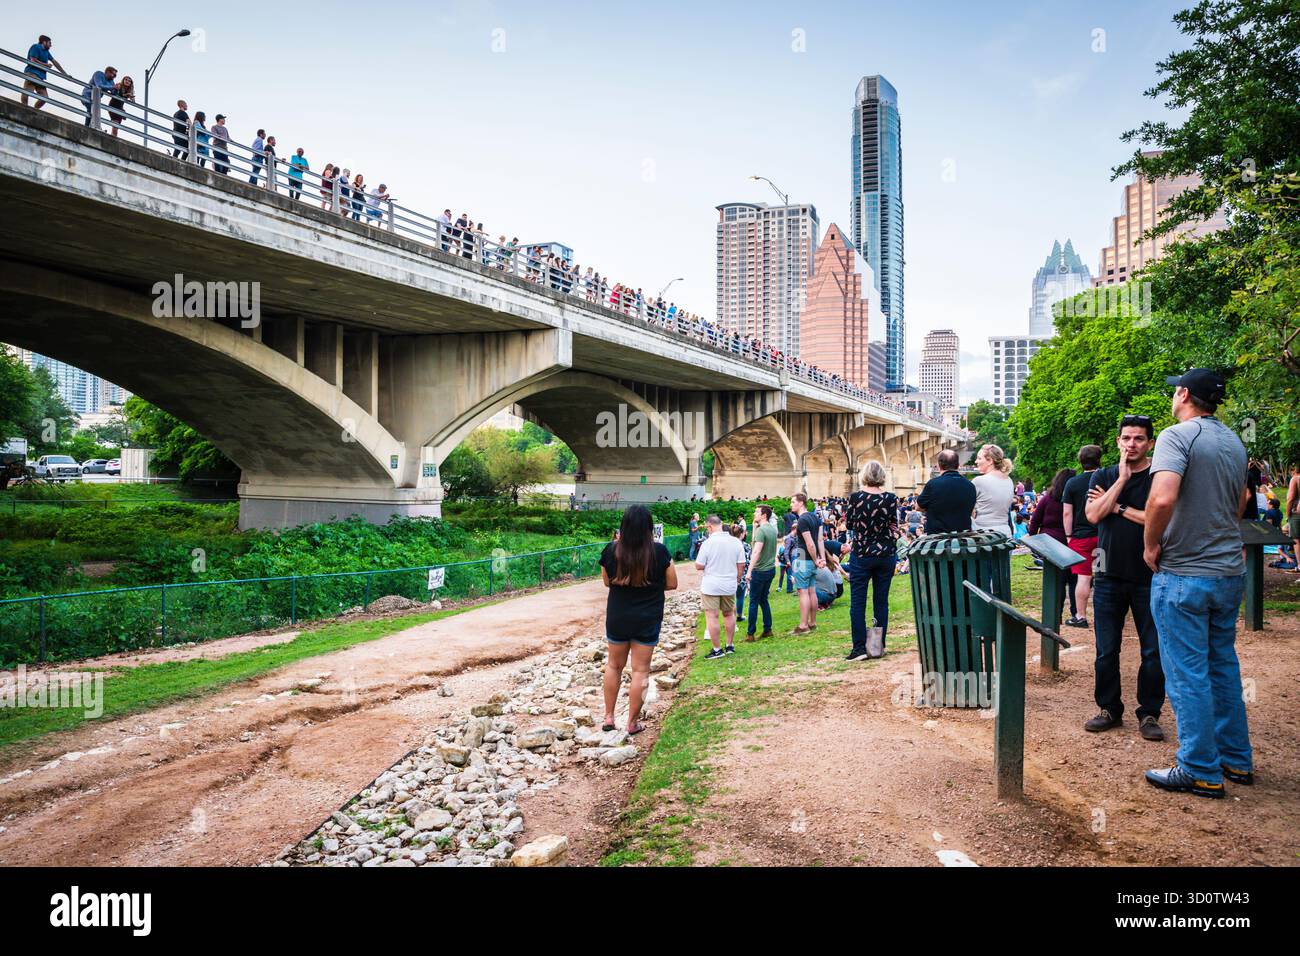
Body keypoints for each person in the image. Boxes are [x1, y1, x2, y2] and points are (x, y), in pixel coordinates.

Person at [1143, 369, 1251, 799]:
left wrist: (1151, 544)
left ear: (1184, 394)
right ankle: (1235, 760)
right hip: (1227, 573)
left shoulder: (1177, 436)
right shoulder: (1234, 441)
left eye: (1176, 390)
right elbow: (1242, 501)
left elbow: (1162, 497)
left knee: (1187, 672)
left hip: (1185, 573)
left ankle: (1199, 768)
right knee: (1222, 666)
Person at [1082, 415, 1165, 741]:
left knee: (1152, 651)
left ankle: (1149, 713)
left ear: (1150, 444)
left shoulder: (1159, 477)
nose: (1132, 444)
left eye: (1139, 439)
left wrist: (1116, 507)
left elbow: (1156, 519)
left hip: (1148, 576)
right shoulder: (1102, 475)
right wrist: (1120, 480)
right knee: (1106, 649)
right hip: (1107, 576)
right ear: (1118, 442)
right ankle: (1109, 709)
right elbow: (1091, 515)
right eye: (1126, 438)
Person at [599, 505, 676, 736]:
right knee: (640, 671)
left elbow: (606, 581)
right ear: (648, 528)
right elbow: (672, 583)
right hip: (647, 618)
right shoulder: (659, 552)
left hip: (618, 616)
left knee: (613, 665)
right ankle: (632, 722)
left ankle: (609, 716)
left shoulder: (611, 551)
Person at [845, 460, 898, 661]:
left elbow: (849, 523)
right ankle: (875, 647)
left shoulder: (855, 498)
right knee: (880, 601)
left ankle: (859, 648)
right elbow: (893, 524)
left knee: (858, 602)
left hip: (862, 553)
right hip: (885, 553)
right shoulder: (891, 498)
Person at [695, 515, 747, 660]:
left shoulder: (708, 543)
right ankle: (730, 645)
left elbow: (699, 565)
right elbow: (741, 564)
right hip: (729, 583)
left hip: (711, 584)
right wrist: (737, 579)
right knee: (729, 614)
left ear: (709, 526)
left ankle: (717, 649)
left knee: (712, 616)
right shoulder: (735, 542)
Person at [1062, 444, 1102, 628]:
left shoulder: (1072, 483)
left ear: (1081, 461)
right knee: (1103, 574)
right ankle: (1106, 614)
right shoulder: (1107, 479)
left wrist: (1069, 535)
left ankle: (1080, 616)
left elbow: (1067, 513)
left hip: (1081, 538)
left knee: (1083, 577)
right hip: (1103, 536)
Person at [790, 492, 825, 635]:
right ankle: (812, 622)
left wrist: (817, 559)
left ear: (801, 503)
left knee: (803, 592)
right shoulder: (815, 517)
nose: (791, 505)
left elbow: (810, 543)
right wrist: (821, 558)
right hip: (812, 559)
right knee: (812, 591)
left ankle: (803, 625)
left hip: (804, 558)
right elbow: (820, 540)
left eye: (793, 502)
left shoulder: (802, 520)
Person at [916, 449, 976, 533]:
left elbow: (918, 507)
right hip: (963, 538)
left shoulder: (933, 484)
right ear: (958, 465)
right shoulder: (970, 486)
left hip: (938, 539)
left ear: (938, 465)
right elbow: (972, 511)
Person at [743, 504, 777, 641]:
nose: (754, 514)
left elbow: (756, 551)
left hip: (759, 570)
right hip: (770, 569)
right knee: (764, 600)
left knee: (753, 602)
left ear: (764, 515)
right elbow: (754, 544)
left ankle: (750, 634)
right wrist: (755, 528)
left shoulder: (762, 531)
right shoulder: (771, 529)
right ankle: (767, 629)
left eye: (756, 512)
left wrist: (749, 571)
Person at [971, 443, 1014, 536]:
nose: (976, 461)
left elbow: (966, 508)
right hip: (1005, 533)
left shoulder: (979, 481)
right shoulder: (1009, 480)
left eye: (979, 458)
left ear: (990, 461)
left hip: (984, 535)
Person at [22, 35, 64, 111]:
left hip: (40, 77)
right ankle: (24, 109)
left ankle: (34, 110)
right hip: (32, 73)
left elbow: (55, 62)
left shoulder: (47, 52)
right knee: (27, 92)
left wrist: (64, 74)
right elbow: (33, 60)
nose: (51, 45)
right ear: (44, 42)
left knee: (44, 98)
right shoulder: (36, 47)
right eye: (49, 43)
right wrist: (46, 65)